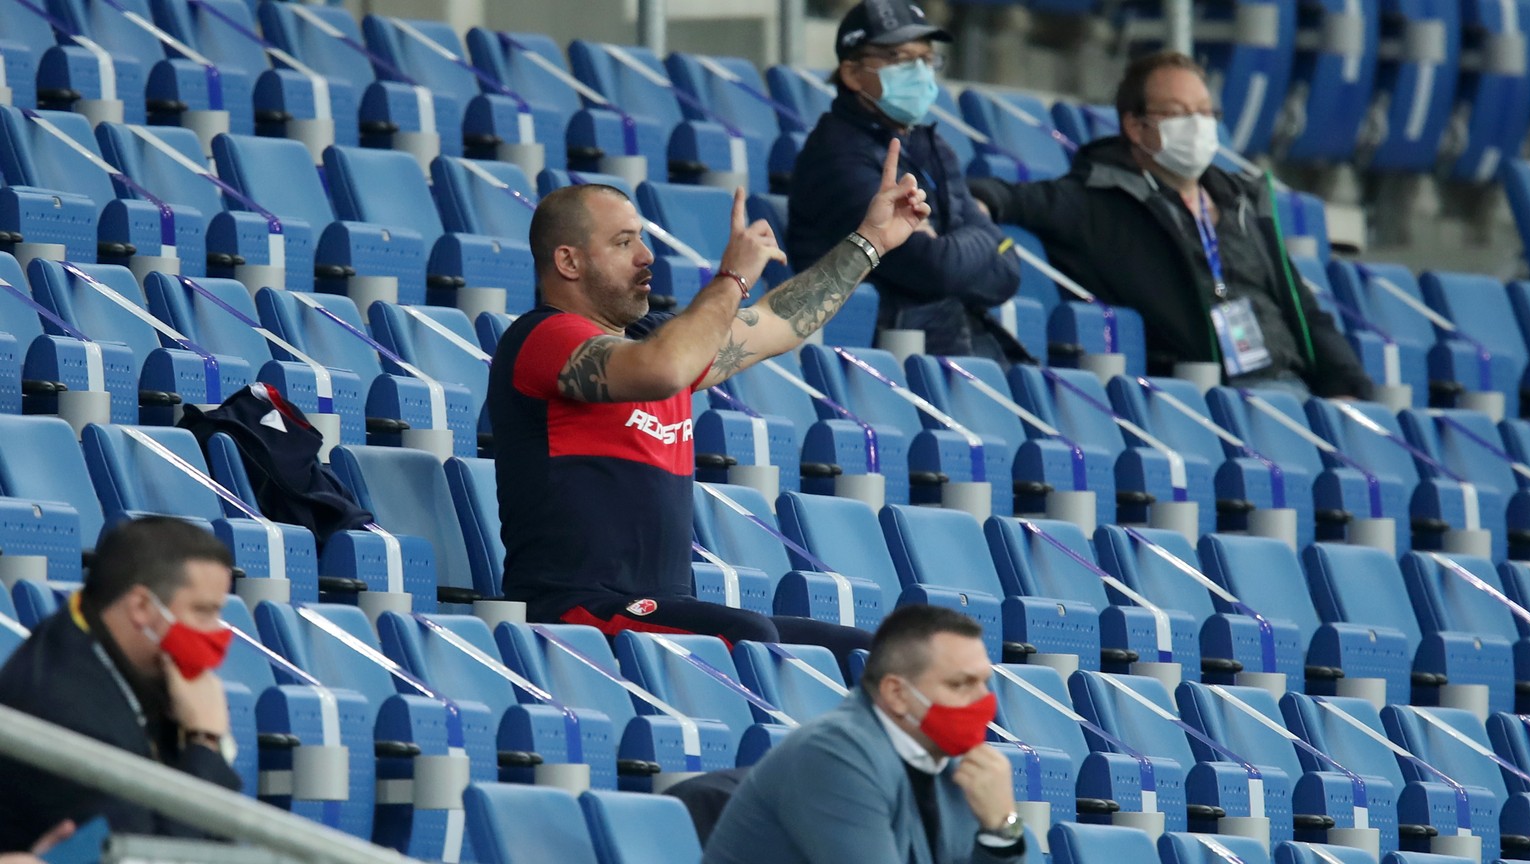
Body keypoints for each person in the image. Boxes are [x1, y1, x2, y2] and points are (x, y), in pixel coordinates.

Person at [488, 139, 929, 664]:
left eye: (643, 240)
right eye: (624, 242)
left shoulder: (658, 340)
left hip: (662, 606)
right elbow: (663, 368)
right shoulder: (543, 338)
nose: (647, 256)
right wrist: (733, 278)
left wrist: (872, 240)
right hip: (576, 608)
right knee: (748, 636)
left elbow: (782, 321)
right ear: (569, 261)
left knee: (866, 653)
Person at [968, 51, 1373, 399]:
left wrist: (1349, 388)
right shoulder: (1097, 200)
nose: (1197, 125)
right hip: (1208, 400)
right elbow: (1013, 197)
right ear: (1135, 126)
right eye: (1178, 114)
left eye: (1204, 112)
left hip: (1293, 389)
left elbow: (1302, 308)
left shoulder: (1244, 202)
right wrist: (980, 203)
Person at [786, 0, 1027, 364]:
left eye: (926, 59)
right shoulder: (836, 157)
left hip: (954, 343)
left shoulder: (932, 146)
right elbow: (932, 267)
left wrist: (971, 246)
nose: (919, 71)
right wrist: (982, 241)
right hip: (882, 358)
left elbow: (1007, 270)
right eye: (900, 58)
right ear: (852, 74)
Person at [702, 605, 1025, 864]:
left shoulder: (957, 765)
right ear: (897, 694)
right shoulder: (832, 755)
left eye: (983, 683)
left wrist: (1000, 834)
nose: (983, 701)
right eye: (960, 684)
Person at [0, 517, 241, 852]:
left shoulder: (128, 663)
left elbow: (222, 838)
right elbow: (153, 857)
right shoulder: (67, 706)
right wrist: (204, 744)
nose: (216, 631)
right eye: (203, 611)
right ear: (141, 606)